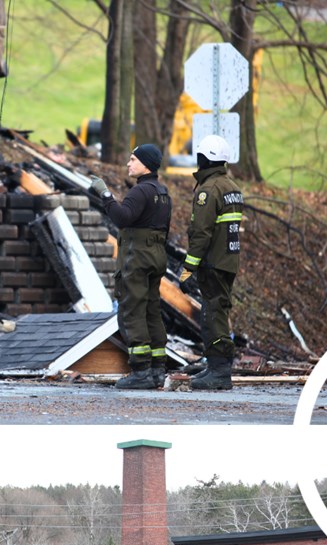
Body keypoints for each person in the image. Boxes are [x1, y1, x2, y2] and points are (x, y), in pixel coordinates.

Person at [91, 143, 174, 390]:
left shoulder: (140, 192)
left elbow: (122, 217)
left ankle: (140, 371)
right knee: (151, 310)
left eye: (133, 159)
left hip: (137, 257)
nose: (128, 164)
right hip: (157, 256)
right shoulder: (163, 192)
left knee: (131, 310)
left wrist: (105, 195)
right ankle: (158, 370)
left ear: (146, 164)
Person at [180, 134, 244, 391]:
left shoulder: (208, 190)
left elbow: (201, 233)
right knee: (220, 310)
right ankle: (216, 366)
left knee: (213, 314)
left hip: (213, 263)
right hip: (229, 260)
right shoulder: (232, 187)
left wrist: (188, 268)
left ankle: (218, 371)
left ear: (204, 159)